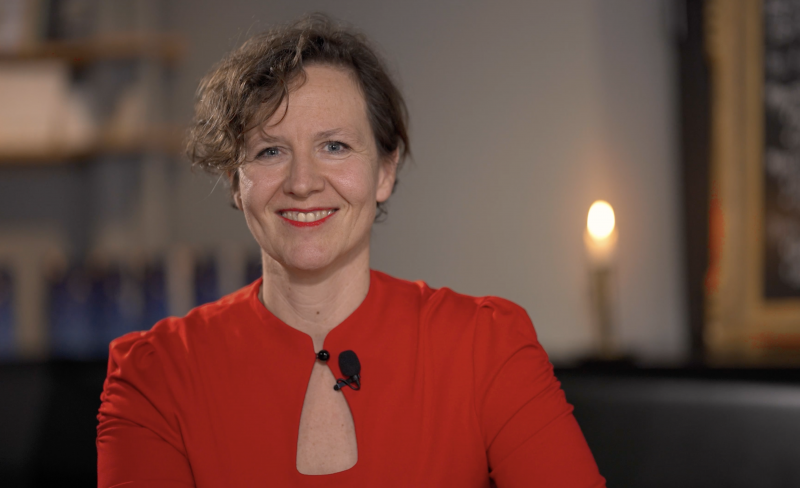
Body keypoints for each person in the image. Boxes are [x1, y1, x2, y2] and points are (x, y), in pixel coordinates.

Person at [96, 13, 606, 488]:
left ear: (384, 170)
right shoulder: (153, 375)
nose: (302, 182)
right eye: (270, 151)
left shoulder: (486, 347)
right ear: (235, 181)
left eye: (334, 146)